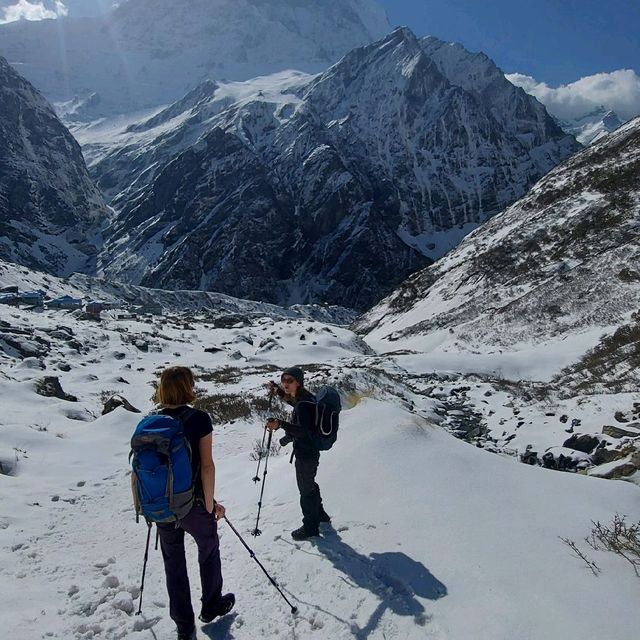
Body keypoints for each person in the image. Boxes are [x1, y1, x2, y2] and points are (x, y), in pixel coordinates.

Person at [155, 366, 235, 640]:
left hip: (163, 506)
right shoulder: (199, 418)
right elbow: (207, 467)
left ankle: (184, 626)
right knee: (208, 546)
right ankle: (211, 604)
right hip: (192, 504)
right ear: (188, 386)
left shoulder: (152, 421)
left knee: (173, 563)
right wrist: (211, 505)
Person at [266, 366, 330, 540]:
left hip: (306, 453)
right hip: (310, 451)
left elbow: (302, 431)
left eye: (289, 381)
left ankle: (310, 527)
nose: (285, 384)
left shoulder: (303, 404)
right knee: (309, 483)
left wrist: (280, 424)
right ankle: (321, 515)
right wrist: (278, 391)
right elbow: (293, 402)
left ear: (298, 382)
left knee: (305, 490)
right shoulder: (305, 398)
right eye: (283, 380)